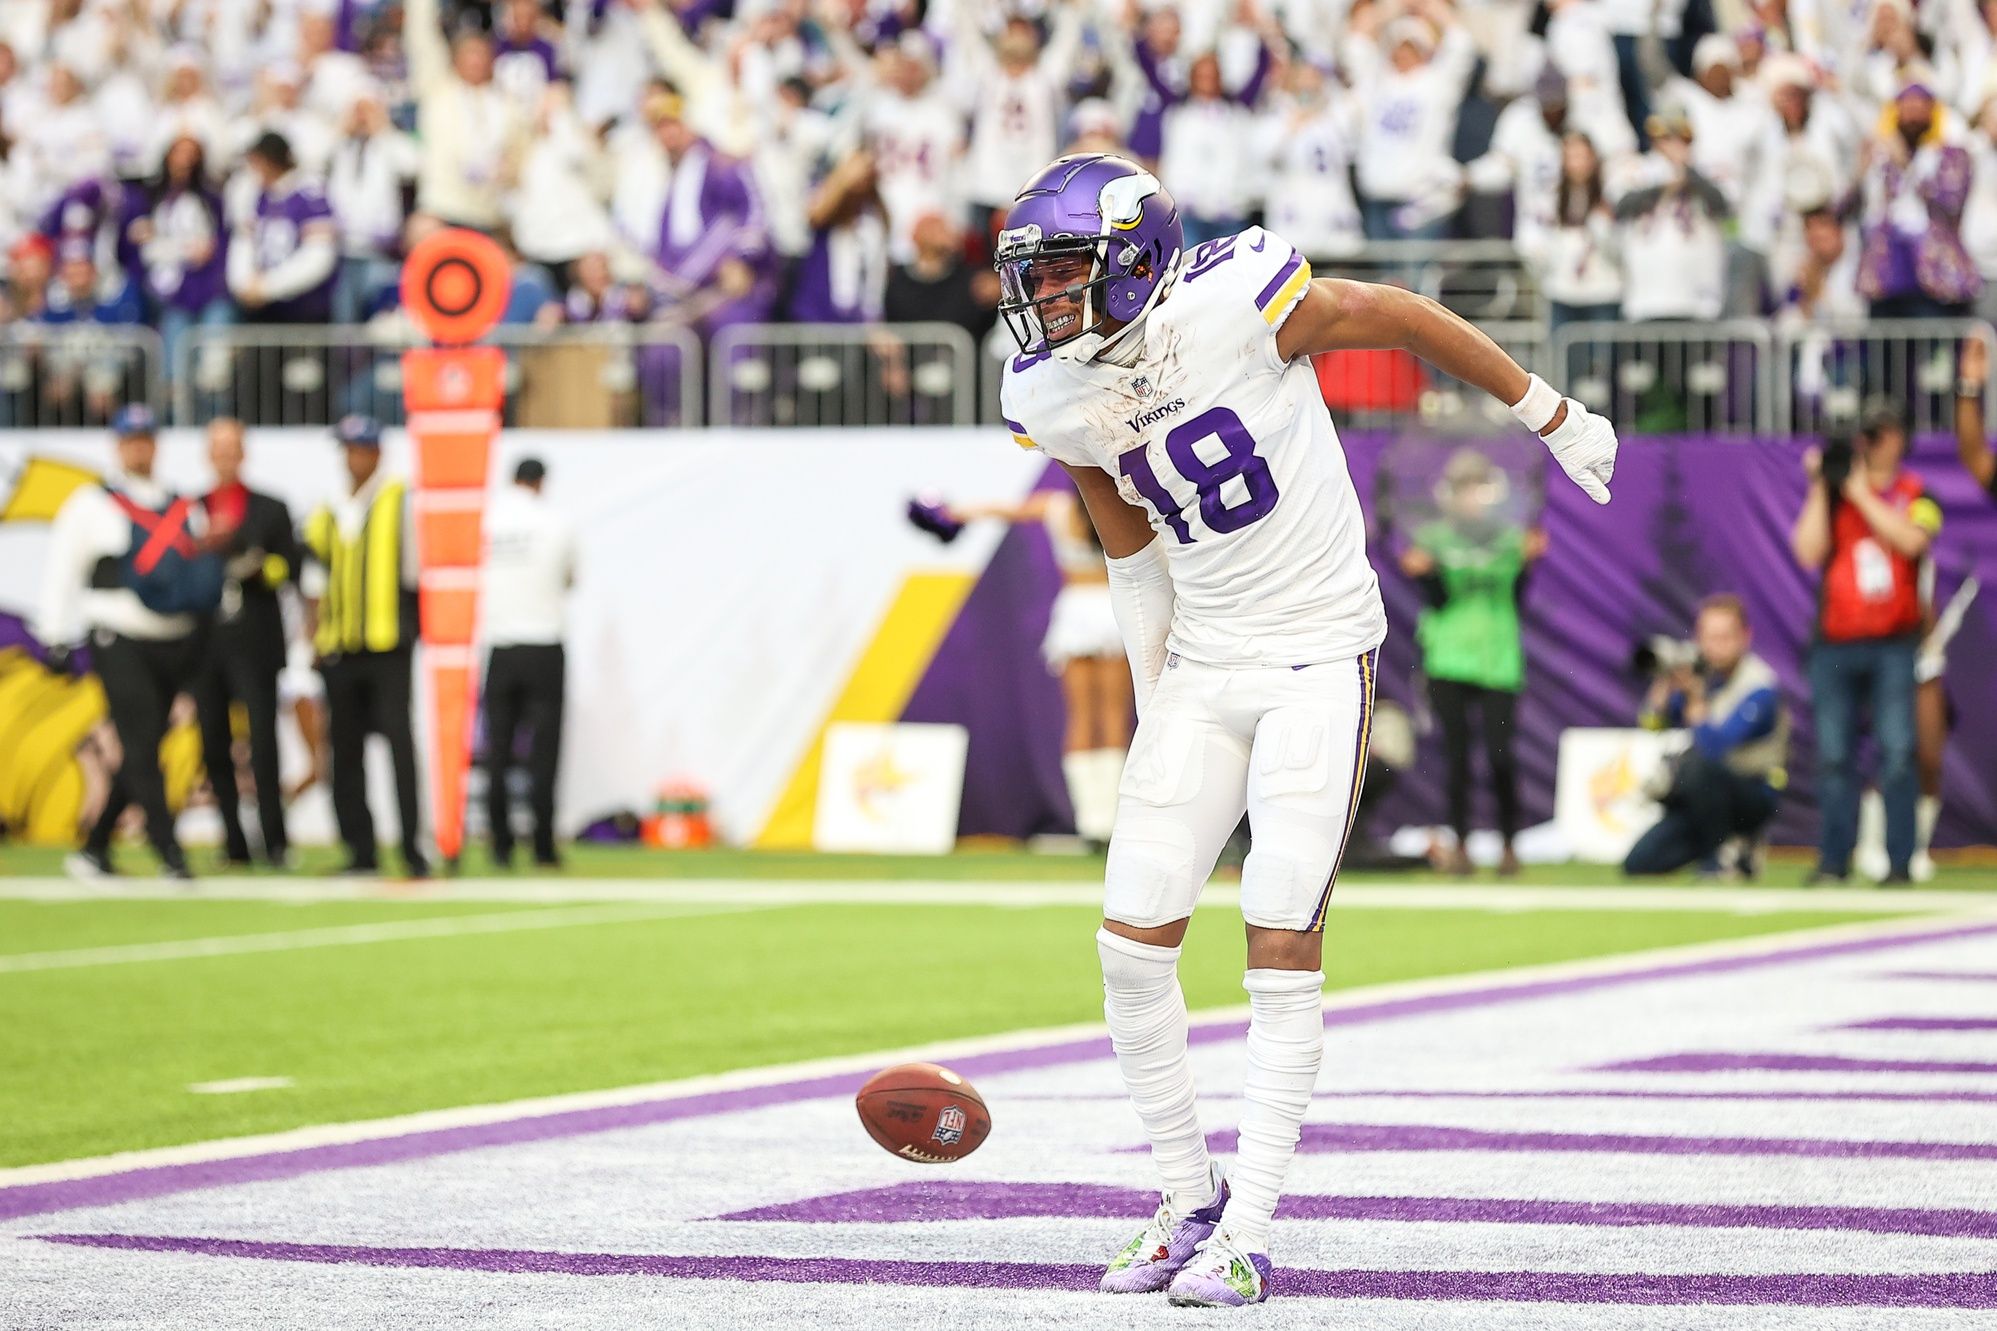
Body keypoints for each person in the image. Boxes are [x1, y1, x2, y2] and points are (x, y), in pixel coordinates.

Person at [994, 152, 1618, 1306]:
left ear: (1133, 260)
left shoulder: (1234, 301)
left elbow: (1391, 313)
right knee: (1128, 949)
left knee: (1278, 942)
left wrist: (1546, 410)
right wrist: (1152, 698)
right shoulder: (1052, 386)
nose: (1047, 300)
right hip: (1203, 661)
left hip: (1318, 652)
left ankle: (1256, 1225)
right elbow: (1128, 549)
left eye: (1070, 270)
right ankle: (1187, 1200)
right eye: (1036, 276)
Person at [38, 405, 217, 881]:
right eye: (130, 438)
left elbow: (198, 574)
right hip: (117, 635)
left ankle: (95, 847)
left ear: (156, 443)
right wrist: (54, 636)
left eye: (146, 437)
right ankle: (168, 850)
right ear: (117, 445)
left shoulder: (184, 507)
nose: (139, 446)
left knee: (146, 744)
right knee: (139, 743)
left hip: (174, 639)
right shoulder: (90, 503)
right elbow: (64, 569)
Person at [916, 481, 1130, 847]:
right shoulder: (1120, 505)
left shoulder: (1059, 508)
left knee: (1080, 719)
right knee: (1112, 719)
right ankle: (1112, 820)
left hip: (1076, 611)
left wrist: (953, 513)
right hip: (1112, 609)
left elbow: (1001, 508)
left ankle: (1090, 821)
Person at [1790, 406, 1940, 885]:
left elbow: (1913, 542)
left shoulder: (1917, 491)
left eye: (1877, 435)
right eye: (1864, 437)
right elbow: (1806, 551)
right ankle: (1834, 861)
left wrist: (1861, 493)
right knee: (1834, 756)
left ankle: (1900, 863)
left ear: (1898, 438)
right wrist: (1822, 487)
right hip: (1835, 642)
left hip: (1893, 642)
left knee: (1897, 754)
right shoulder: (1834, 495)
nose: (1869, 445)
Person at [1399, 449, 1545, 876]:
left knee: (1502, 757)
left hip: (1499, 657)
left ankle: (1509, 849)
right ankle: (1460, 846)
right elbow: (1438, 600)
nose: (1472, 497)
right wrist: (1424, 574)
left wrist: (1528, 565)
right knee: (1458, 756)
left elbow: (1516, 597)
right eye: (1464, 488)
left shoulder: (1508, 538)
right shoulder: (1433, 538)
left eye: (1480, 487)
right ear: (1450, 494)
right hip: (1447, 657)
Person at [302, 415, 429, 878]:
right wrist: (312, 635)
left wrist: (415, 626)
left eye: (359, 449)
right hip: (340, 647)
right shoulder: (328, 508)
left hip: (388, 641)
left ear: (376, 452)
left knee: (399, 745)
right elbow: (314, 577)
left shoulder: (401, 500)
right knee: (344, 751)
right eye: (347, 450)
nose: (353, 458)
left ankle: (414, 848)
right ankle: (360, 850)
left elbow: (417, 571)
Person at [190, 418, 301, 868]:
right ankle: (233, 843)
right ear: (208, 453)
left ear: (243, 452)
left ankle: (275, 842)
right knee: (213, 745)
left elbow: (289, 568)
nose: (225, 454)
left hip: (255, 642)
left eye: (232, 446)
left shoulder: (270, 508)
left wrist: (255, 565)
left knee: (263, 743)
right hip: (206, 645)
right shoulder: (191, 508)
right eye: (218, 447)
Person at [1623, 595, 1788, 878]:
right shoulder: (1702, 675)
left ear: (1745, 637)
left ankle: (1727, 852)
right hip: (1703, 801)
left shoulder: (1760, 686)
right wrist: (1664, 685)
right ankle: (1732, 851)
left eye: (1725, 638)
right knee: (1640, 863)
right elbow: (1651, 725)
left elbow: (1717, 749)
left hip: (1751, 794)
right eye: (1709, 638)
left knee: (1699, 766)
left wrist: (1697, 705)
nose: (1715, 647)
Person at [481, 457, 575, 870]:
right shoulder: (556, 522)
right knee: (544, 753)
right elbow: (570, 580)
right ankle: (542, 846)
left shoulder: (488, 523)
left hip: (500, 647)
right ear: (541, 483)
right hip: (544, 645)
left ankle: (499, 845)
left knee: (497, 752)